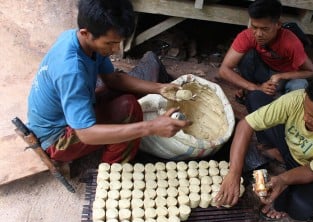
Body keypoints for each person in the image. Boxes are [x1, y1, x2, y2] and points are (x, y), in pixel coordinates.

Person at [27, 0, 191, 165]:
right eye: (110, 43)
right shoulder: (72, 71)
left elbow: (114, 79)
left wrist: (160, 88)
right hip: (56, 139)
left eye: (117, 42)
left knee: (126, 93)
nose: (114, 50)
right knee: (129, 109)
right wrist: (150, 127)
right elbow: (86, 133)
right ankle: (112, 169)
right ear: (85, 33)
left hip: (65, 113)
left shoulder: (79, 39)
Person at [215, 72, 313, 221]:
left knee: (301, 208)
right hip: (288, 143)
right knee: (256, 98)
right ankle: (277, 153)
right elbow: (246, 124)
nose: (305, 118)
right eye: (306, 109)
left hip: (310, 166)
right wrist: (234, 173)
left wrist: (283, 180)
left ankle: (284, 171)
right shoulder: (297, 99)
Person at [218, 0, 313, 113]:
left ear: (278, 24)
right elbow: (224, 70)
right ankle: (252, 91)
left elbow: (311, 72)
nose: (258, 34)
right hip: (263, 74)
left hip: (286, 77)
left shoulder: (291, 42)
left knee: (300, 85)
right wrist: (254, 87)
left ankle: (283, 106)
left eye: (265, 29)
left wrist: (281, 76)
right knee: (247, 56)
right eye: (255, 27)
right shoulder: (247, 36)